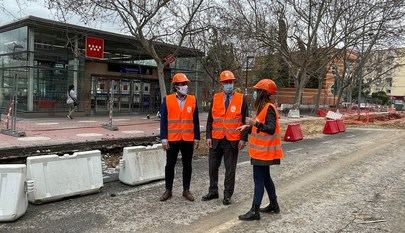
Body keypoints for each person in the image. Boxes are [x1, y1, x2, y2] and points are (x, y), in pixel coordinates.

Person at [237, 79, 284, 221]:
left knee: (259, 180)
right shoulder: (264, 107)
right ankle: (274, 205)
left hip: (264, 152)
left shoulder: (269, 107)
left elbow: (270, 129)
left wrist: (254, 123)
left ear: (263, 93)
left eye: (258, 91)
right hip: (262, 152)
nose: (255, 93)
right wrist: (248, 126)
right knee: (266, 179)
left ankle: (254, 211)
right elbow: (260, 126)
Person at [202, 70, 249, 205]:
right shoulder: (216, 98)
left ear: (233, 83)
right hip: (216, 139)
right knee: (212, 167)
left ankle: (227, 194)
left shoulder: (241, 98)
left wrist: (243, 139)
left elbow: (246, 121)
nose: (229, 84)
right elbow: (211, 120)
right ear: (221, 84)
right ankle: (213, 191)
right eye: (226, 82)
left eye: (231, 82)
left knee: (230, 169)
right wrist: (209, 136)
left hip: (232, 140)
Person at [159, 73, 200, 202]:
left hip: (188, 139)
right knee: (170, 165)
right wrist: (164, 138)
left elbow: (196, 120)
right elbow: (163, 120)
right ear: (175, 86)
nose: (184, 86)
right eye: (181, 84)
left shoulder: (193, 99)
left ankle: (186, 190)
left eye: (185, 84)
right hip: (172, 139)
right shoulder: (167, 99)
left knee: (187, 164)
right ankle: (168, 190)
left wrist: (197, 137)